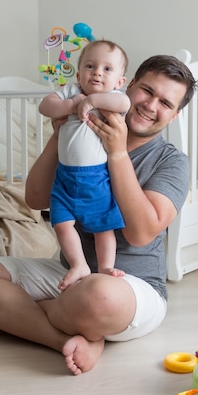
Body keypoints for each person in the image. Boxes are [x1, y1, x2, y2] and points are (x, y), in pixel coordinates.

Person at [0, 54, 196, 375]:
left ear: (175, 115)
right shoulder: (82, 129)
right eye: (147, 91)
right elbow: (35, 198)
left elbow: (141, 233)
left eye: (165, 102)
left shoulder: (172, 162)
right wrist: (60, 132)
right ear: (130, 85)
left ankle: (22, 316)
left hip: (128, 289)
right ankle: (73, 338)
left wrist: (118, 152)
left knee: (99, 296)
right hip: (68, 275)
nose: (151, 105)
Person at [38, 40, 131, 291]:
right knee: (60, 223)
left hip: (95, 179)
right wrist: (72, 104)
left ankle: (105, 267)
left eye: (107, 69)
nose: (97, 72)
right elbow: (45, 106)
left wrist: (92, 103)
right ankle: (78, 264)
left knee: (104, 228)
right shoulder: (71, 91)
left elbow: (125, 106)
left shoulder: (112, 98)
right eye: (90, 66)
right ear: (79, 74)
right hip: (64, 178)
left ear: (120, 82)